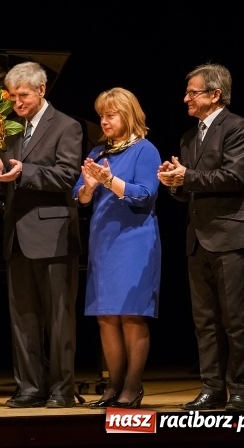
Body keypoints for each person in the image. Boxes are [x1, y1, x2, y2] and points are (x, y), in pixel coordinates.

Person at [0, 61, 83, 409]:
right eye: (13, 95)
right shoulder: (12, 130)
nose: (17, 102)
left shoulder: (67, 126)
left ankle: (62, 388)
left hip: (53, 235)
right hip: (17, 235)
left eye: (23, 95)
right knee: (22, 317)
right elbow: (6, 174)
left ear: (41, 90)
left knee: (58, 317)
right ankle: (29, 388)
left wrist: (23, 172)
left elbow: (67, 175)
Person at [158, 63, 244, 411]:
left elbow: (234, 176)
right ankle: (211, 387)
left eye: (193, 92)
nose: (185, 98)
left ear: (214, 95)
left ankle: (241, 390)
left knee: (235, 318)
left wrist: (187, 177)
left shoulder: (238, 128)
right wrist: (174, 182)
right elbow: (189, 189)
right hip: (198, 239)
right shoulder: (190, 137)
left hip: (231, 235)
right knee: (204, 321)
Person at [74, 88, 161, 409]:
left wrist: (110, 182)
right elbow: (79, 197)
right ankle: (113, 386)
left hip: (135, 241)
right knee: (106, 317)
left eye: (110, 115)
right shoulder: (99, 152)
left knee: (131, 316)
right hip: (104, 241)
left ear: (127, 115)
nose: (104, 121)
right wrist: (90, 186)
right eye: (101, 115)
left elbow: (145, 194)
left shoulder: (145, 150)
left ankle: (133, 386)